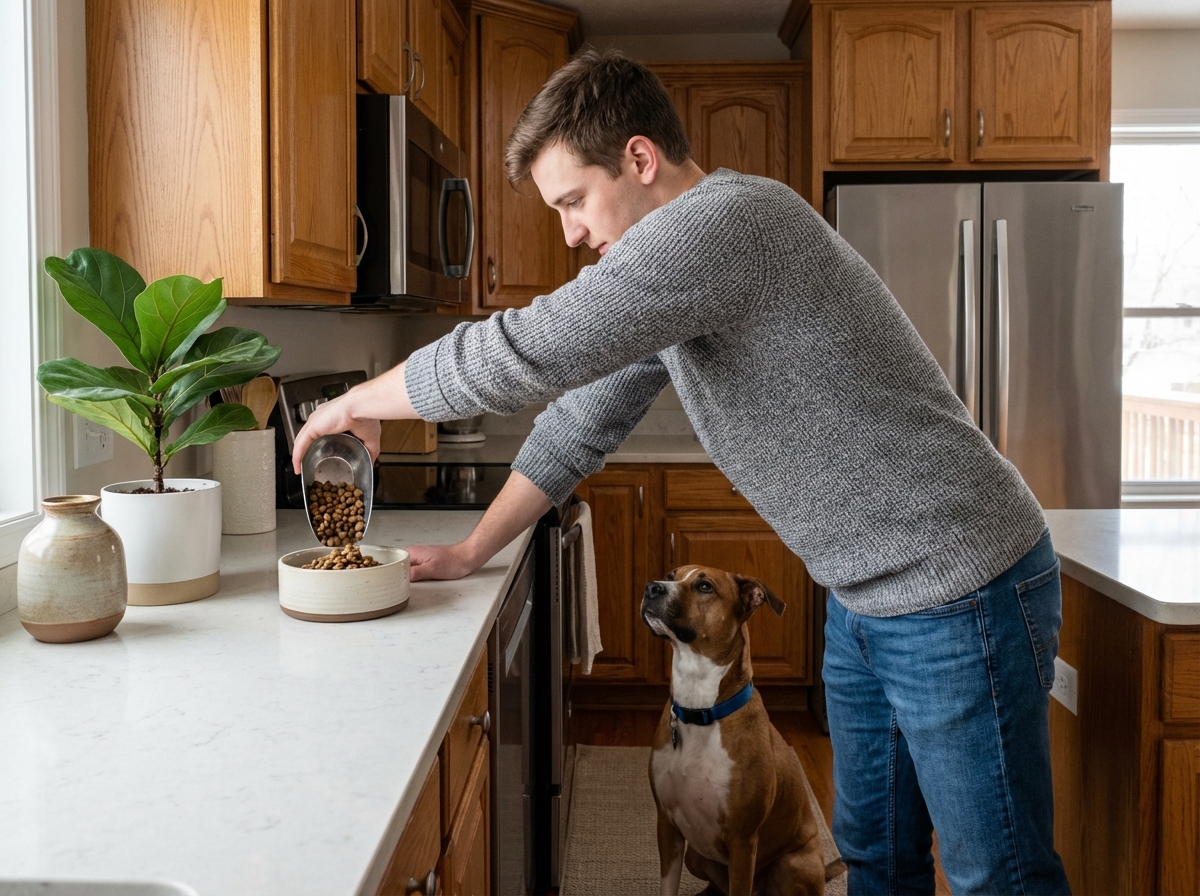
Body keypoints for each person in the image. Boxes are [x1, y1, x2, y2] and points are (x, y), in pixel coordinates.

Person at [292, 49, 1071, 895]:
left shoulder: (726, 223)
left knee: (1001, 877)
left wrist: (353, 401)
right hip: (863, 599)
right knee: (876, 855)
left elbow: (530, 348)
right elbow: (579, 421)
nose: (571, 234)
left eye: (574, 201)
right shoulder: (681, 283)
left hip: (964, 588)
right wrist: (474, 549)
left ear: (638, 159)